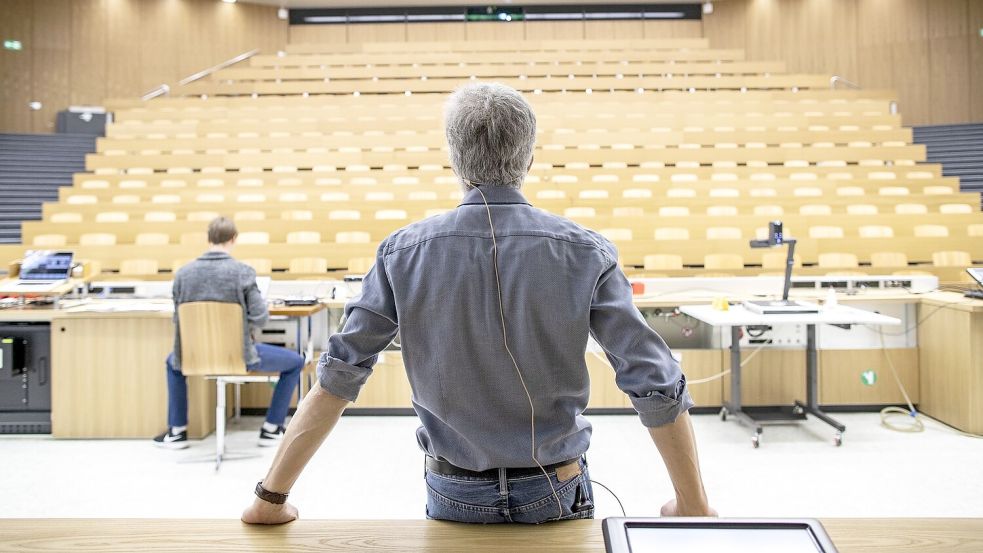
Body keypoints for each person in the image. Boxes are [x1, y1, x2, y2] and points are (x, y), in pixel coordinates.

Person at [242, 83, 714, 524]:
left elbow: (337, 379)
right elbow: (654, 380)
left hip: (453, 492)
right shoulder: (587, 251)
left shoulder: (400, 253)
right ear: (528, 156)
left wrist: (269, 499)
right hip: (556, 489)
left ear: (454, 158)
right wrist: (691, 503)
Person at [153, 217, 303, 449]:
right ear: (233, 239)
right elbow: (261, 317)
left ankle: (177, 432)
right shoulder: (243, 272)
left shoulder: (183, 274)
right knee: (295, 362)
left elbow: (178, 318)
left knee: (173, 362)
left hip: (194, 356)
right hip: (239, 356)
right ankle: (271, 429)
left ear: (208, 239)